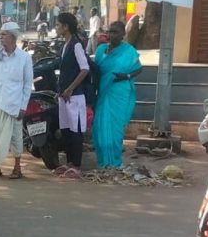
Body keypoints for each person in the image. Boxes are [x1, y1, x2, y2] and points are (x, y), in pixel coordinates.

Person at [0, 22, 33, 179]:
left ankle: (17, 168)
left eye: (4, 35)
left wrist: (23, 106)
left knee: (16, 137)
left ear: (12, 37)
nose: (1, 37)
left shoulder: (24, 58)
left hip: (14, 105)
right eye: (1, 34)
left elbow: (27, 84)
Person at [92, 21, 142, 168]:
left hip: (119, 91)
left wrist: (126, 76)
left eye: (115, 32)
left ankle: (114, 162)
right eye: (109, 32)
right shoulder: (101, 50)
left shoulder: (129, 51)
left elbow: (139, 68)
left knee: (115, 128)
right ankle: (103, 163)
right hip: (102, 92)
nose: (111, 35)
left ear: (123, 34)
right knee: (99, 127)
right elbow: (95, 71)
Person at [54, 12, 91, 178]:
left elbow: (85, 69)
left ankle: (76, 164)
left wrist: (70, 88)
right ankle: (69, 162)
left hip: (74, 96)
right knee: (67, 130)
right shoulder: (65, 45)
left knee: (75, 130)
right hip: (64, 95)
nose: (56, 27)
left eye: (57, 24)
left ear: (65, 26)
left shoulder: (76, 44)